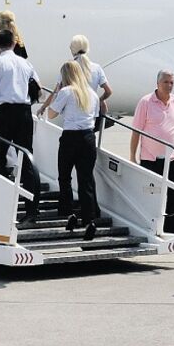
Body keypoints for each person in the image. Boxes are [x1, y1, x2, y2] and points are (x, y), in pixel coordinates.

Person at [0, 29, 41, 225]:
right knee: (26, 160)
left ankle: (1, 206)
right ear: (14, 43)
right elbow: (37, 89)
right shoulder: (26, 64)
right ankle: (32, 210)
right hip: (24, 113)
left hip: (5, 112)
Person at [130, 70, 174, 234]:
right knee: (151, 199)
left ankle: (173, 232)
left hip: (173, 158)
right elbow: (136, 131)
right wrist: (132, 156)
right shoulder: (146, 102)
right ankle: (149, 230)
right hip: (151, 160)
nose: (169, 86)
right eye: (166, 82)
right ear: (157, 83)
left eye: (171, 83)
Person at [47, 61, 101, 240]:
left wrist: (56, 93)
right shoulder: (92, 94)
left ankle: (68, 213)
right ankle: (89, 220)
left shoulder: (66, 91)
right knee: (85, 180)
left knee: (65, 177)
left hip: (70, 138)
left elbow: (51, 114)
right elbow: (94, 116)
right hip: (88, 138)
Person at [37, 34, 113, 121]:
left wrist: (43, 107)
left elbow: (56, 91)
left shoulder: (68, 68)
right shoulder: (97, 68)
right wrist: (99, 100)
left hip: (72, 120)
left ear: (72, 50)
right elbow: (108, 91)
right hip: (89, 117)